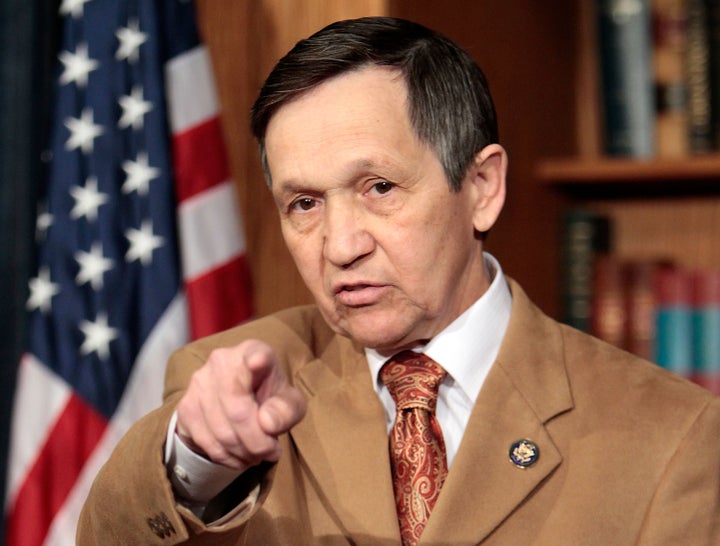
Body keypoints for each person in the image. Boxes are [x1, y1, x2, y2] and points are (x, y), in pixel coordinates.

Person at [77, 16, 720, 545]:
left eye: (379, 188)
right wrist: (195, 463)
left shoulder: (673, 439)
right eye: (304, 204)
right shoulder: (229, 387)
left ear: (481, 188)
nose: (341, 246)